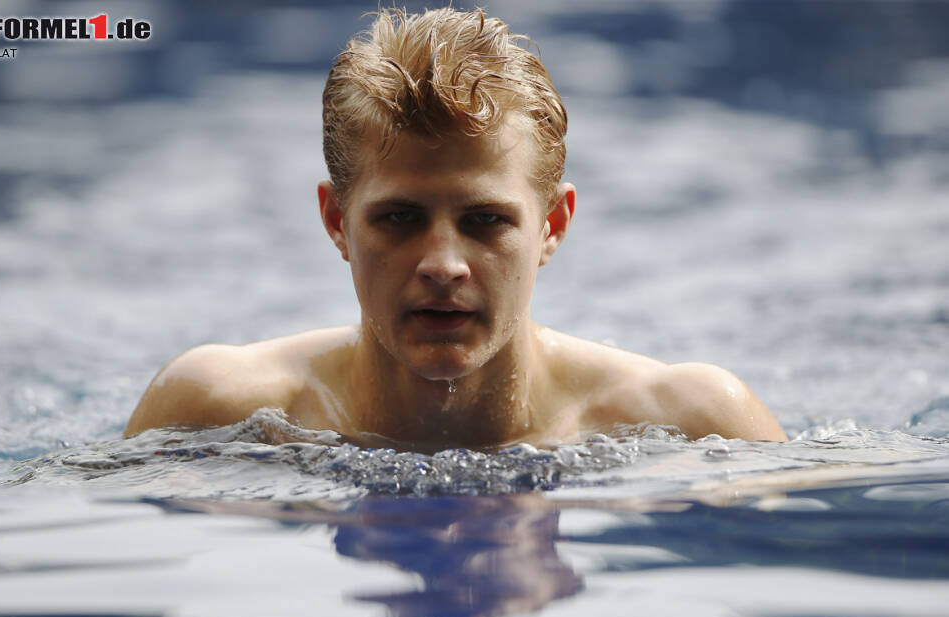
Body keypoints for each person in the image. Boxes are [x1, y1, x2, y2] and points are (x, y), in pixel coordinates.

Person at [124, 7, 786, 449]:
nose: (444, 262)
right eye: (399, 218)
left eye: (485, 220)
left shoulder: (698, 425)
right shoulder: (214, 409)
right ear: (336, 221)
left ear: (551, 224)